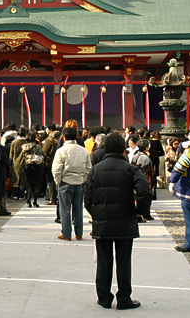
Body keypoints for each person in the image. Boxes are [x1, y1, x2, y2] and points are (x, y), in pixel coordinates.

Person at [85, 133, 151, 310]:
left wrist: (96, 213)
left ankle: (104, 297)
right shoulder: (130, 169)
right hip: (125, 219)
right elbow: (145, 191)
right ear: (124, 149)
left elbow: (87, 198)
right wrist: (139, 213)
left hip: (103, 220)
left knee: (104, 260)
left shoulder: (95, 170)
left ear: (104, 148)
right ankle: (124, 298)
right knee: (123, 261)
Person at [52, 126, 91, 241]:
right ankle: (79, 233)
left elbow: (56, 169)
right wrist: (83, 179)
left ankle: (66, 233)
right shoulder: (83, 151)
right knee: (78, 208)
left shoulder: (61, 151)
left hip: (65, 182)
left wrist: (58, 181)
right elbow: (88, 168)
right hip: (79, 182)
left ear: (64, 137)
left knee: (65, 209)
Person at [15, 132, 46, 208]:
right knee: (37, 185)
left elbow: (21, 157)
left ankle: (28, 200)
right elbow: (44, 154)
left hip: (28, 166)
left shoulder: (23, 147)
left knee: (29, 184)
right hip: (37, 166)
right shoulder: (37, 146)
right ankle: (35, 201)